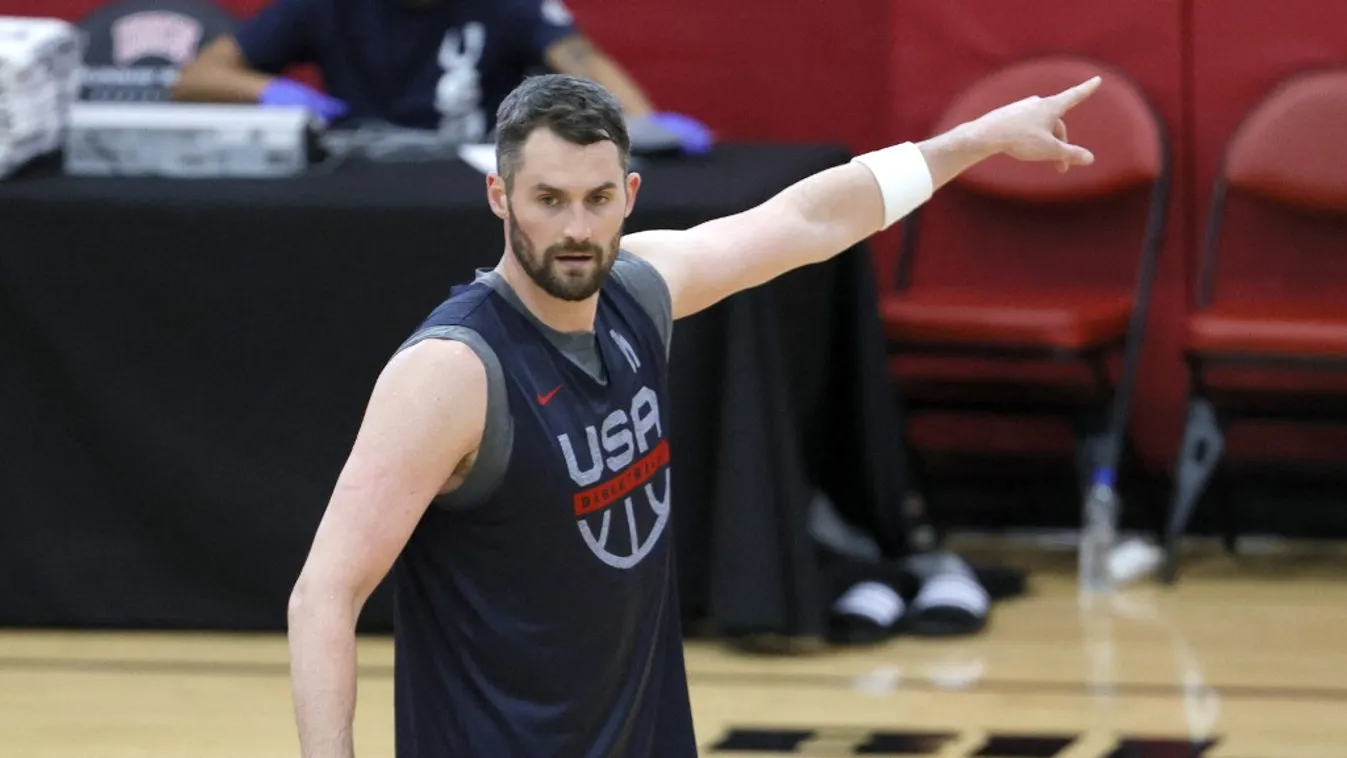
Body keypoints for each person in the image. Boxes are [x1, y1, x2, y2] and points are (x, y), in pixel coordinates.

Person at [284, 73, 1100, 757]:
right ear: (499, 196)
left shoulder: (637, 290)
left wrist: (972, 141)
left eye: (597, 198)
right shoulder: (452, 371)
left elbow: (806, 221)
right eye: (548, 199)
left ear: (629, 194)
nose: (575, 229)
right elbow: (324, 594)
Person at [169, 0, 713, 153]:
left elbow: (581, 62)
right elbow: (194, 78)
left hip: (480, 179)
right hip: (364, 176)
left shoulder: (508, 6)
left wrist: (642, 126)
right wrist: (268, 90)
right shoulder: (323, 6)